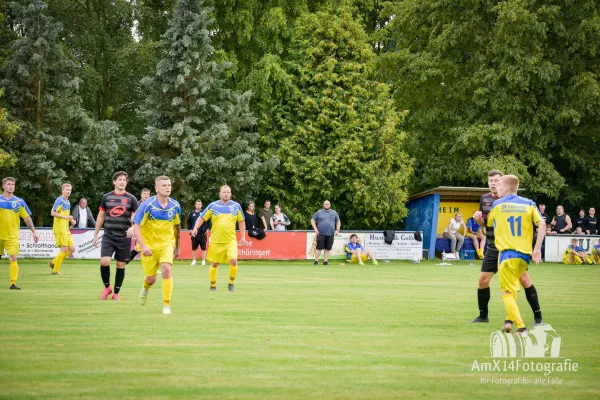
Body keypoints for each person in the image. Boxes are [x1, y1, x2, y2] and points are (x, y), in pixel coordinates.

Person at [471, 170, 544, 326]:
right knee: (483, 280)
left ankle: (537, 317)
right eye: (490, 180)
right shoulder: (485, 199)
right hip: (493, 246)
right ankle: (483, 316)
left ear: (503, 184)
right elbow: (486, 226)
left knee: (524, 280)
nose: (493, 183)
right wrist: (478, 221)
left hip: (511, 247)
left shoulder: (514, 201)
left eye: (496, 180)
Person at [133, 176, 181, 315]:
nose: (167, 187)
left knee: (166, 268)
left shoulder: (175, 205)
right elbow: (136, 227)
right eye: (164, 185)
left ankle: (166, 305)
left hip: (166, 244)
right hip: (148, 246)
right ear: (156, 188)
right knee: (151, 279)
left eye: (169, 185)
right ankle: (145, 288)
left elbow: (177, 227)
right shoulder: (147, 205)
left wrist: (177, 247)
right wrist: (144, 245)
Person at [93, 171, 139, 300]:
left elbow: (138, 217)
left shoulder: (131, 199)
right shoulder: (106, 197)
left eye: (124, 179)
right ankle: (107, 287)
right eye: (119, 179)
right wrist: (95, 235)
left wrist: (133, 227)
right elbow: (100, 216)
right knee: (104, 261)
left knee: (120, 265)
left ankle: (116, 293)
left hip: (124, 237)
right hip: (108, 235)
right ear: (114, 182)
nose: (122, 181)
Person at [191, 185, 246, 292]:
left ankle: (231, 283)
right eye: (224, 192)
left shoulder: (236, 206)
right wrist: (195, 228)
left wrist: (243, 237)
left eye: (228, 192)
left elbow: (241, 221)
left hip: (230, 241)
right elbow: (202, 217)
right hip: (216, 241)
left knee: (233, 260)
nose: (226, 194)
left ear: (231, 194)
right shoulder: (213, 205)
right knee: (215, 263)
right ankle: (213, 285)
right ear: (220, 193)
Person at [0, 177, 39, 290]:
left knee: (13, 257)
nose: (11, 186)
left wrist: (34, 232)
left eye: (13, 184)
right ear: (3, 186)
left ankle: (13, 283)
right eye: (8, 184)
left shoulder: (19, 202)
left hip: (11, 236)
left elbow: (27, 218)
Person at [48, 183, 76, 275]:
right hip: (59, 228)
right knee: (64, 249)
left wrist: (71, 220)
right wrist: (67, 218)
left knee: (72, 249)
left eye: (69, 190)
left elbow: (65, 215)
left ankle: (53, 262)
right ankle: (55, 270)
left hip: (66, 229)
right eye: (66, 190)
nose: (68, 191)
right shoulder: (59, 200)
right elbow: (53, 213)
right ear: (62, 190)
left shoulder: (67, 202)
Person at [311, 200, 341, 265]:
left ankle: (325, 261)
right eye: (325, 204)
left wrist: (337, 230)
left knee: (327, 248)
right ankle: (316, 261)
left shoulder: (334, 212)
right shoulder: (319, 212)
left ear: (330, 205)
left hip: (330, 233)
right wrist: (315, 229)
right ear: (323, 205)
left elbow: (338, 221)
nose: (326, 205)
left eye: (328, 204)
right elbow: (312, 220)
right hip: (320, 233)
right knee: (318, 248)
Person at [127, 188, 152, 264]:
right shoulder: (137, 204)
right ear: (141, 195)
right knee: (138, 248)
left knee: (139, 248)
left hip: (148, 229)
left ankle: (124, 263)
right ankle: (124, 262)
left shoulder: (151, 204)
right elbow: (133, 216)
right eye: (144, 194)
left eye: (148, 194)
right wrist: (133, 227)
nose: (146, 195)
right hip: (139, 228)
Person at [188, 200, 207, 266]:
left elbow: (208, 222)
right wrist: (190, 229)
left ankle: (203, 261)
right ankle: (194, 261)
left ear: (201, 205)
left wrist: (206, 229)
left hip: (202, 233)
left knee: (203, 248)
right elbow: (189, 222)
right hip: (194, 234)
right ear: (195, 205)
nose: (198, 205)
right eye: (197, 204)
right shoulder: (191, 213)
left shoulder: (204, 213)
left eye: (199, 204)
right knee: (194, 248)